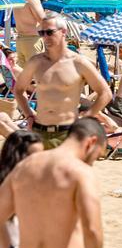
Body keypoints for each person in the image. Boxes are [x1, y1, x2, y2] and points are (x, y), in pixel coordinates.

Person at [0, 118, 105, 248]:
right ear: (90, 143)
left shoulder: (24, 167)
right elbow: (92, 230)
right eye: (97, 156)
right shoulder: (80, 172)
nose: (92, 162)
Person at [14, 14, 111, 149]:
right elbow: (18, 90)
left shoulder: (78, 62)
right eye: (42, 33)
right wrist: (29, 115)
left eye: (49, 32)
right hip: (40, 131)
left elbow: (105, 93)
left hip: (68, 132)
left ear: (63, 32)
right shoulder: (36, 62)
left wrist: (87, 117)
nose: (45, 37)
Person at [12, 0, 45, 67]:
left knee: (24, 76)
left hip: (20, 40)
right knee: (37, 74)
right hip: (32, 41)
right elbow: (42, 20)